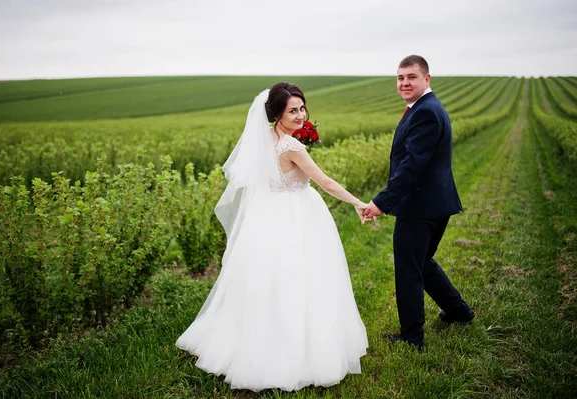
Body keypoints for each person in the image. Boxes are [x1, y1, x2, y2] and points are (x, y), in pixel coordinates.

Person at [176, 82, 368, 391]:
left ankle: (249, 345)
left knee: (268, 280)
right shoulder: (292, 147)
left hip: (267, 218)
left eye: (302, 108)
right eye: (292, 110)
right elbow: (326, 183)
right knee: (300, 280)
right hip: (296, 217)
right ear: (276, 113)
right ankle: (294, 355)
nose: (300, 115)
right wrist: (358, 203)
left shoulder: (264, 139)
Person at [363, 55, 474, 350]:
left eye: (411, 77)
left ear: (427, 79)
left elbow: (412, 166)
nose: (404, 83)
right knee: (422, 262)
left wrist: (381, 202)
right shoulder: (425, 108)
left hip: (421, 206)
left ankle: (412, 336)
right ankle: (458, 311)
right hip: (434, 203)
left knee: (409, 268)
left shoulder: (425, 112)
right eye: (400, 77)